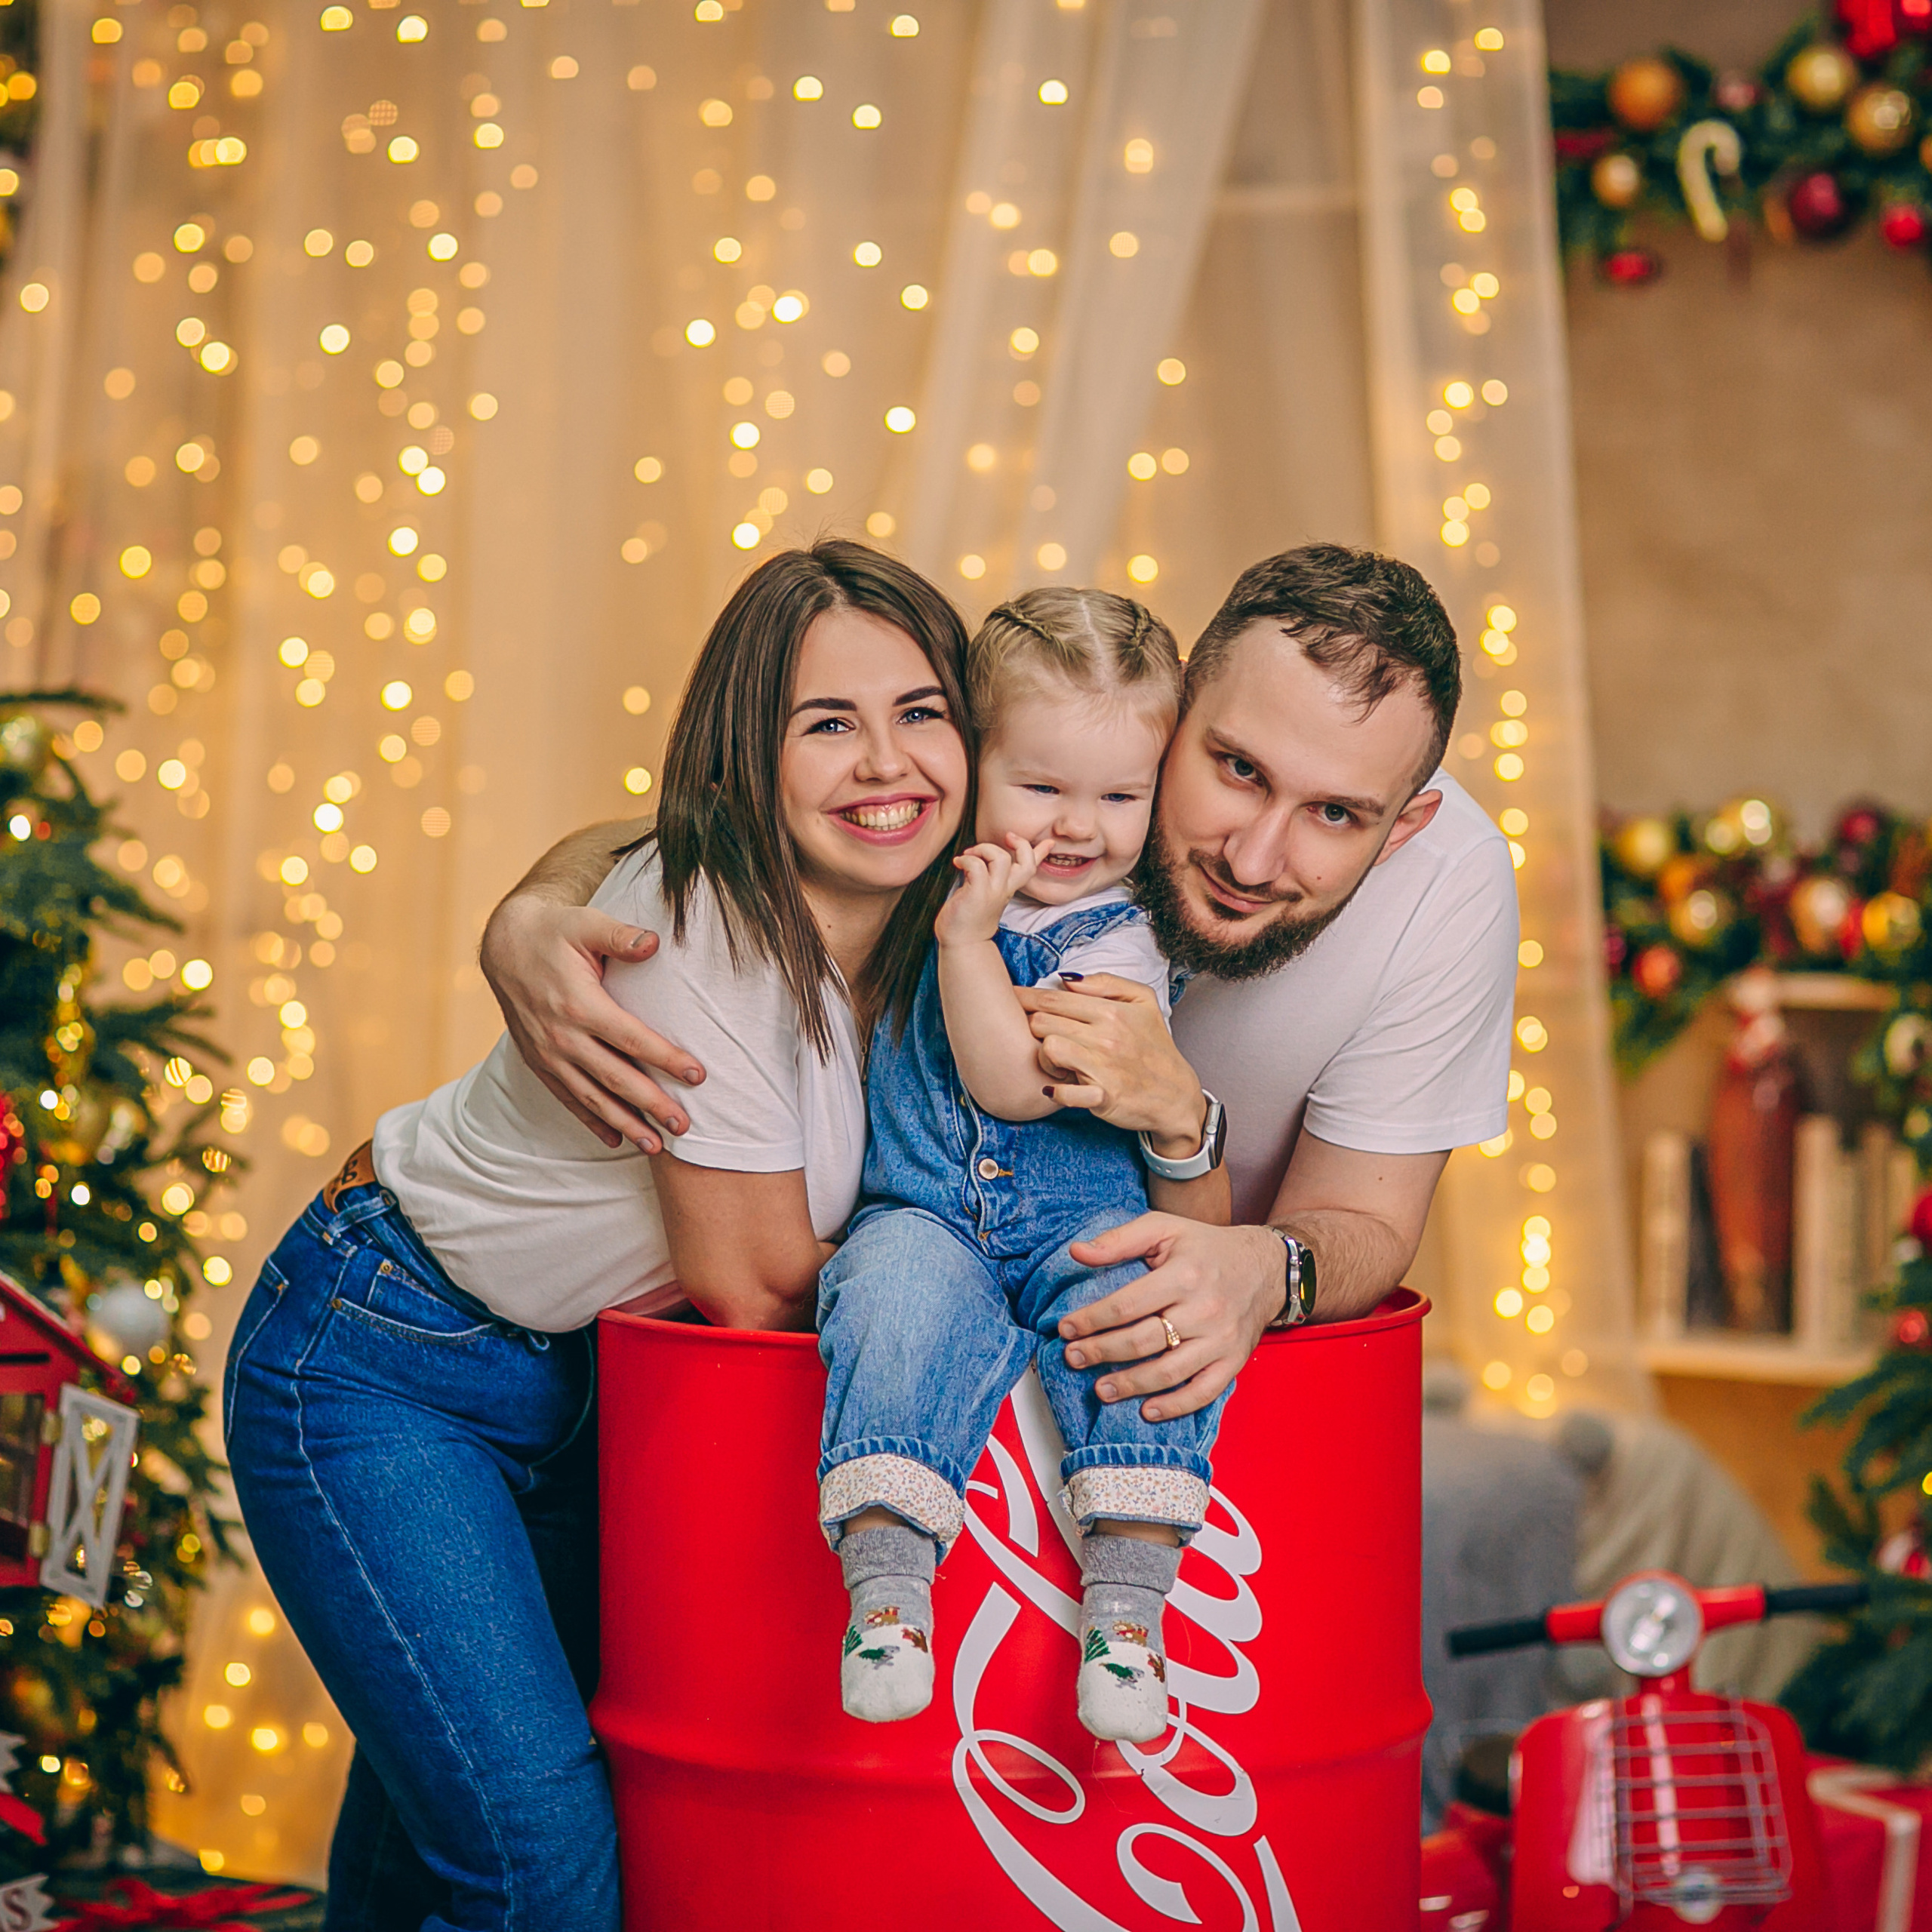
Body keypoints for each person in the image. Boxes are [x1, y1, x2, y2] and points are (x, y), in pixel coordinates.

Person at [223, 541, 973, 1932]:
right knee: (538, 1869)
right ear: (749, 757)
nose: (888, 764)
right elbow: (751, 1287)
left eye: (921, 711)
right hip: (388, 1358)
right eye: (828, 723)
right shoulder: (708, 923)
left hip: (593, 1391)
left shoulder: (944, 929)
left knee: (423, 1860)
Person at [481, 540, 1517, 1458]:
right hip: (653, 1337)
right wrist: (530, 909)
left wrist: (1260, 1262)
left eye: (1337, 814)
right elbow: (715, 829)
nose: (1253, 855)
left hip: (1111, 1344)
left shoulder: (1449, 884)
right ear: (1175, 712)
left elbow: (1364, 1222)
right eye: (1236, 768)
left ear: (1405, 826)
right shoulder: (1018, 800)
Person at [820, 589, 1231, 1745]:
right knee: (887, 1295)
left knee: (1139, 1337)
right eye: (1041, 787)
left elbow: (1011, 1083)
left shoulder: (1122, 938)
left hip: (1076, 1225)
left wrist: (963, 940)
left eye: (1119, 796)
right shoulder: (924, 875)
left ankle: (1127, 1619)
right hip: (927, 1215)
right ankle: (889, 1599)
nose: (1078, 827)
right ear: (973, 765)